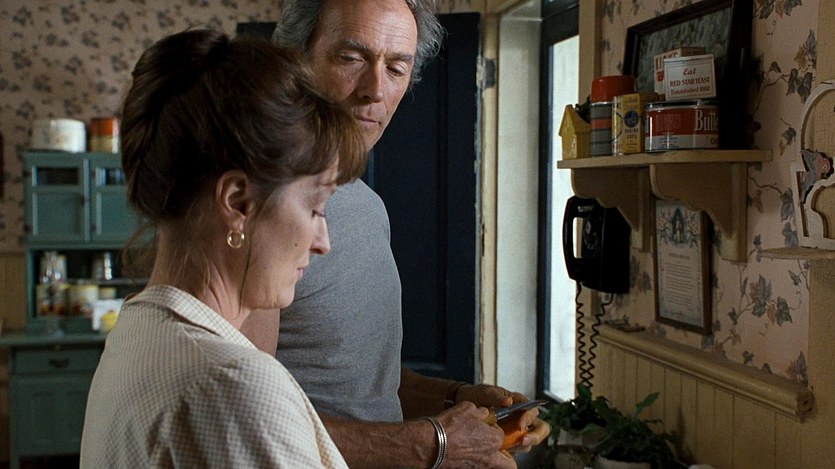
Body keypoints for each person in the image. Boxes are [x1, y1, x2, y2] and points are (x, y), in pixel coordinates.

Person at [239, 1, 550, 467]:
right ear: (295, 61)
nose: (375, 90)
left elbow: (361, 384)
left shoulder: (368, 207)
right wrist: (435, 444)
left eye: (397, 68)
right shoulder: (257, 209)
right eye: (351, 58)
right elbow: (245, 417)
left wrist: (455, 398)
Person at [79, 29, 367, 468]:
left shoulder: (135, 334)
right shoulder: (232, 383)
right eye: (315, 208)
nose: (323, 243)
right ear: (238, 202)